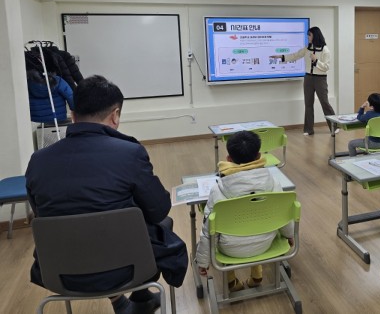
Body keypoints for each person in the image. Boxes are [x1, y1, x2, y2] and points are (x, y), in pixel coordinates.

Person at [26, 75, 188, 314]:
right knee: (157, 223)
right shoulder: (129, 153)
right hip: (128, 267)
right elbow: (158, 209)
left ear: (72, 115)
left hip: (60, 270)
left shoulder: (37, 161)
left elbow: (42, 214)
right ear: (115, 115)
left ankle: (130, 302)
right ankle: (138, 297)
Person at [195, 131, 294, 291]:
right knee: (259, 221)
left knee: (220, 230)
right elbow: (283, 216)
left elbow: (207, 232)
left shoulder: (217, 190)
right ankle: (256, 276)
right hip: (265, 243)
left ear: (229, 159)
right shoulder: (273, 183)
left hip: (230, 249)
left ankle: (231, 282)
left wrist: (203, 262)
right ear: (259, 156)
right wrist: (289, 235)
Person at [270, 26, 336, 136]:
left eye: (309, 35)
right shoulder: (307, 48)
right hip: (308, 78)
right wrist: (280, 57)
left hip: (320, 79)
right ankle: (308, 129)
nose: (308, 37)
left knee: (325, 103)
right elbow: (295, 55)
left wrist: (316, 61)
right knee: (308, 104)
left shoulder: (325, 50)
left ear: (315, 35)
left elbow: (326, 67)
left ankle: (334, 127)